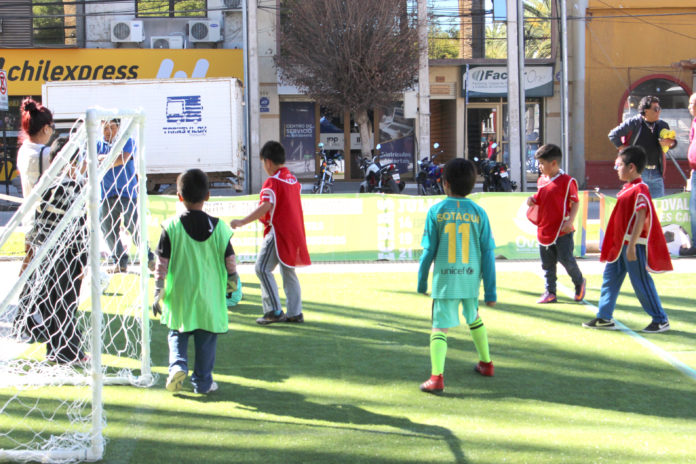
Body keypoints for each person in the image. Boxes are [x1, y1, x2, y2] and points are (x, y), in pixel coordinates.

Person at [151, 169, 238, 394]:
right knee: (206, 340)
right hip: (209, 298)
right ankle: (202, 382)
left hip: (180, 295)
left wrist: (157, 290)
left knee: (177, 334)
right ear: (207, 196)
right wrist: (232, 281)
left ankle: (177, 366)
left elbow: (161, 263)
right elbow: (230, 260)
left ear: (179, 197)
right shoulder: (220, 228)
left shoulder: (170, 227)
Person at [417, 158, 496, 393]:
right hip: (470, 278)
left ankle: (436, 378)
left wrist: (422, 281)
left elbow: (429, 251)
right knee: (474, 317)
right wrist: (491, 291)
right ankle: (486, 363)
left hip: (445, 281)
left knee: (440, 327)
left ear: (445, 183)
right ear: (472, 185)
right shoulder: (479, 212)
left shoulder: (436, 211)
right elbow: (488, 254)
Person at [14, 136, 89, 364]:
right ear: (72, 163)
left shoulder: (44, 185)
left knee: (51, 302)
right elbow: (81, 227)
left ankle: (55, 350)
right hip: (67, 256)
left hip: (47, 254)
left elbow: (39, 224)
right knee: (66, 303)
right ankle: (69, 352)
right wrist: (83, 259)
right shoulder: (74, 188)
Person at [583, 146, 672, 333]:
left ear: (631, 167)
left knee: (641, 281)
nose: (616, 170)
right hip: (620, 246)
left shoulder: (640, 188)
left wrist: (632, 246)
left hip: (633, 245)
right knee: (610, 279)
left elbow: (642, 214)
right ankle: (604, 316)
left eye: (619, 166)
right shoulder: (628, 188)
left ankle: (660, 319)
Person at [230, 140, 311, 325]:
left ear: (267, 162)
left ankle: (273, 310)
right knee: (288, 271)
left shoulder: (272, 182)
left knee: (261, 268)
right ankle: (295, 313)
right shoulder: (292, 180)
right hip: (294, 233)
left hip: (278, 233)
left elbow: (266, 205)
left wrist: (242, 221)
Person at [526, 144, 586, 304]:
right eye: (539, 163)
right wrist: (531, 200)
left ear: (553, 163)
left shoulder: (568, 181)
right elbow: (540, 198)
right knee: (547, 264)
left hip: (562, 230)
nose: (539, 167)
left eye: (542, 163)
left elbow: (575, 203)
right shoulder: (541, 180)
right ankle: (550, 292)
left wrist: (570, 221)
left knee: (566, 259)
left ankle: (579, 282)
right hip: (545, 228)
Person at [98, 119, 154, 273]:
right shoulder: (97, 145)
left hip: (127, 192)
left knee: (133, 225)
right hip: (106, 193)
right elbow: (94, 163)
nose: (108, 131)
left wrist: (104, 159)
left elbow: (123, 158)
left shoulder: (127, 141)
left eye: (112, 127)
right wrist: (107, 159)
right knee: (107, 228)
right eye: (105, 128)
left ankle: (149, 257)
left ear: (119, 127)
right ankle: (120, 260)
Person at [15, 97, 55, 273]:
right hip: (47, 219)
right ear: (46, 128)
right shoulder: (46, 154)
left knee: (29, 267)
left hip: (29, 216)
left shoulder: (23, 150)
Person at [608, 95, 676, 198]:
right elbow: (613, 135)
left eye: (659, 108)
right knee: (638, 204)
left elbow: (672, 143)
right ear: (646, 110)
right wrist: (624, 149)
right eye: (656, 109)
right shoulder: (634, 123)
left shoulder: (662, 125)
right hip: (638, 171)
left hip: (657, 173)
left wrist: (671, 143)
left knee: (657, 207)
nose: (659, 111)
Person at [680, 92, 696, 256]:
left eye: (692, 104)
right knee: (694, 208)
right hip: (695, 171)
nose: (689, 107)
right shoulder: (694, 122)